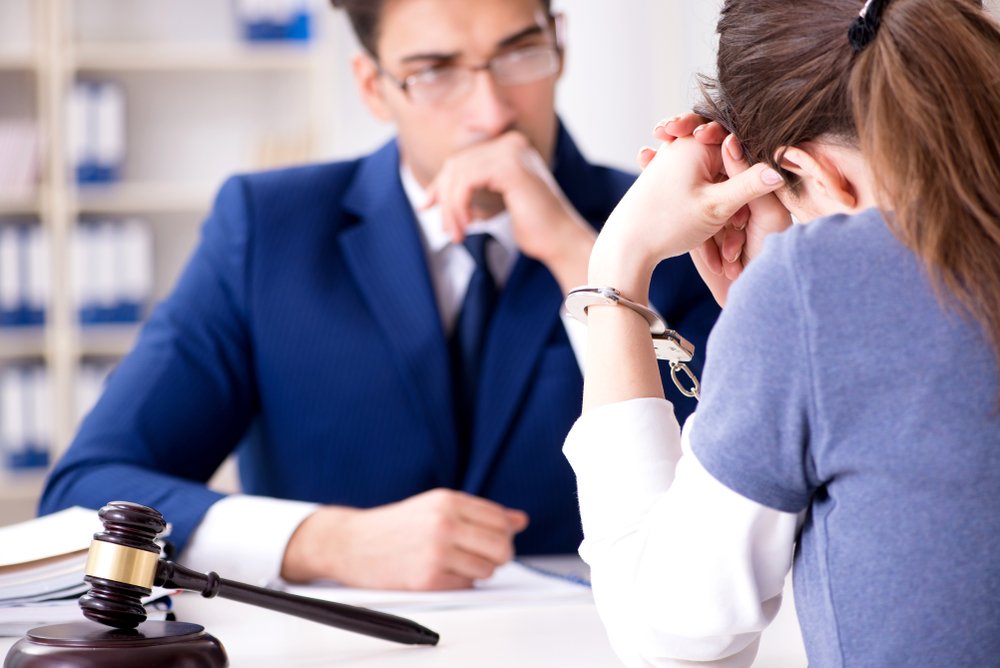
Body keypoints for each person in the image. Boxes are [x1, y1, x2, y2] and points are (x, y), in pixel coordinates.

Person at [39, 0, 719, 591]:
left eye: (520, 53)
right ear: (372, 85)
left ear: (560, 43)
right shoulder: (268, 228)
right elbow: (85, 490)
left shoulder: (671, 222)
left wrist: (588, 258)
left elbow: (733, 484)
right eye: (435, 72)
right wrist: (327, 541)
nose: (491, 112)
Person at [564, 0, 1000, 665]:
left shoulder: (821, 288)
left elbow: (676, 643)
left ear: (816, 173)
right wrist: (776, 321)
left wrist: (620, 268)